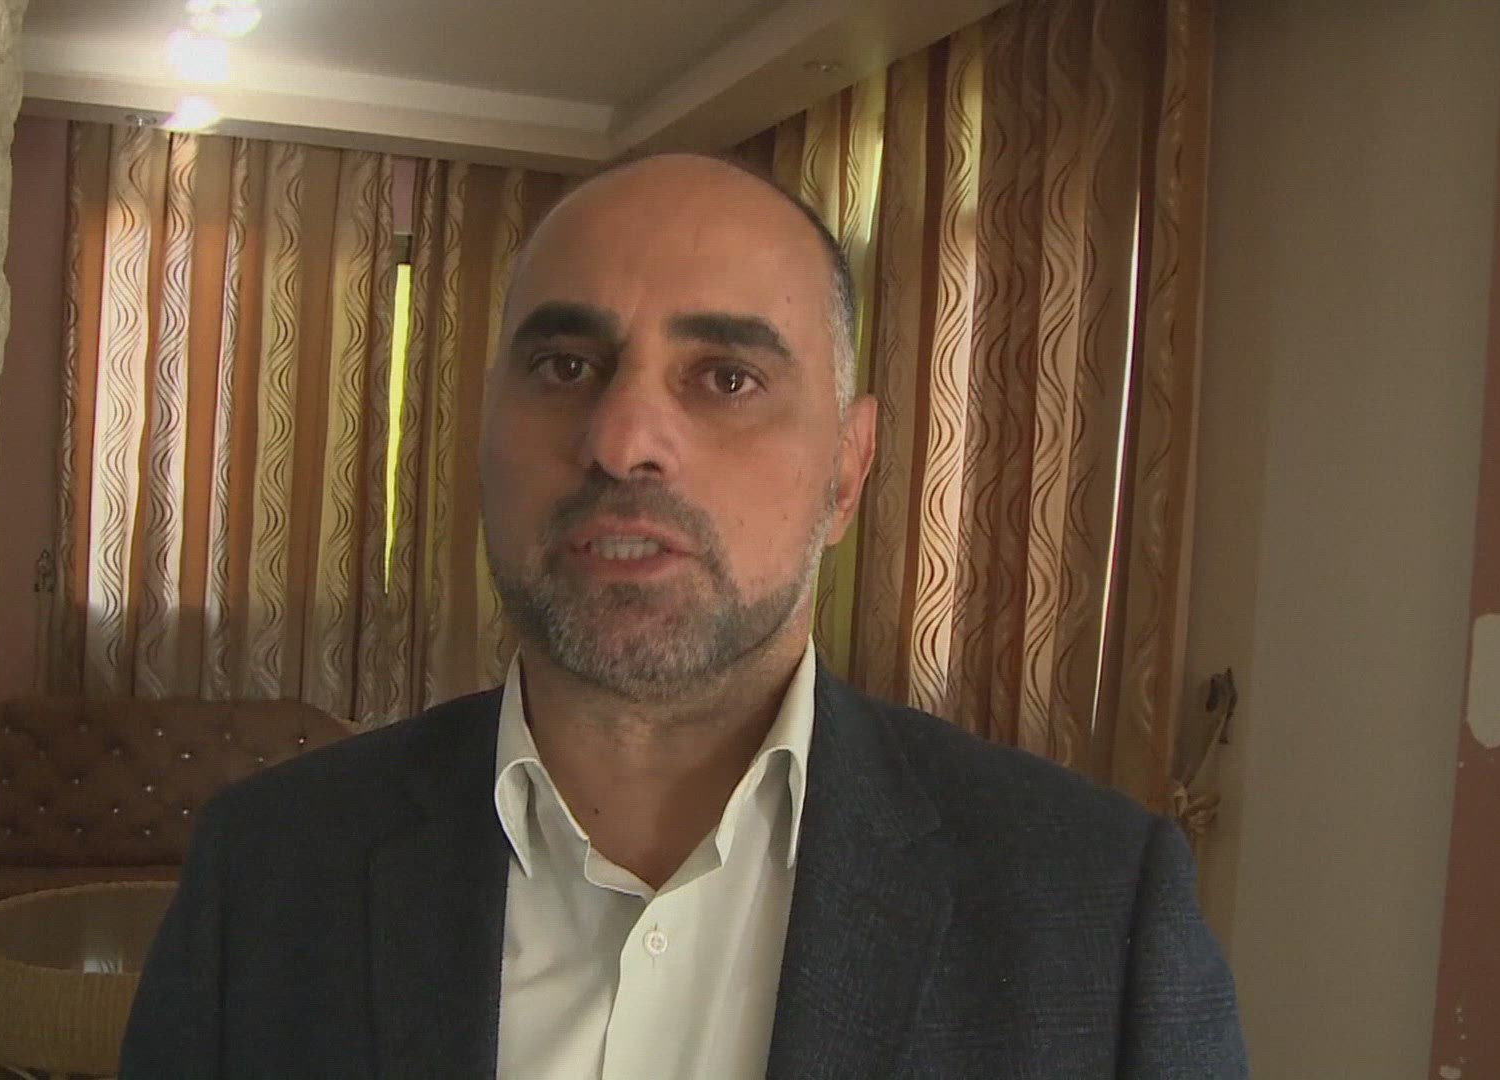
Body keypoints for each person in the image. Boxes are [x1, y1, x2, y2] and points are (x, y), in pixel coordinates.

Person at [120, 153, 1247, 1078]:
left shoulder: (1096, 913)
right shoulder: (268, 876)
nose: (622, 442)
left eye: (726, 378)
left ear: (847, 471)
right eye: (566, 365)